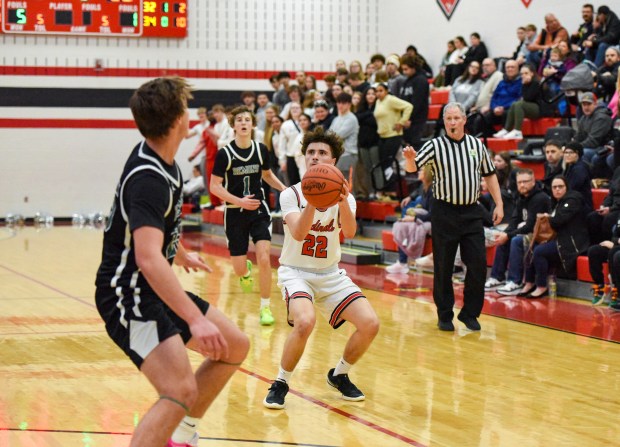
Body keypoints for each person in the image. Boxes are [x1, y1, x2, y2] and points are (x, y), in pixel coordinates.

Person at [94, 77, 249, 447]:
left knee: (234, 345)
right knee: (179, 390)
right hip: (127, 297)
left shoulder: (162, 160)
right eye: (185, 106)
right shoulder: (149, 178)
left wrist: (177, 251)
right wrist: (195, 319)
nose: (190, 112)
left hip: (150, 288)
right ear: (178, 119)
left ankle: (180, 435)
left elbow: (147, 230)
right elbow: (147, 257)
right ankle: (174, 424)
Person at [263, 126, 380, 409]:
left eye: (322, 153)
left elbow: (350, 233)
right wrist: (314, 202)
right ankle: (280, 382)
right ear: (304, 158)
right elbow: (300, 233)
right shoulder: (290, 194)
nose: (315, 157)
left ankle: (339, 375)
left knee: (370, 324)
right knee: (305, 321)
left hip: (330, 273)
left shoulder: (345, 197)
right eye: (311, 152)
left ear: (334, 162)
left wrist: (341, 202)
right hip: (296, 272)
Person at [403, 102, 504, 332]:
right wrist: (410, 158)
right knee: (444, 265)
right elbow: (413, 168)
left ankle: (470, 313)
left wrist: (499, 203)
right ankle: (445, 314)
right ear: (444, 121)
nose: (452, 122)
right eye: (448, 119)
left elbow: (489, 174)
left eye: (456, 118)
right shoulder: (435, 145)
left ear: (464, 120)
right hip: (444, 211)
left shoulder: (476, 145)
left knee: (477, 265)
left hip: (471, 211)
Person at [210, 106, 287, 326]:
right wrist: (239, 201)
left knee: (264, 257)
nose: (243, 123)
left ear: (252, 125)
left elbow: (267, 175)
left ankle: (265, 308)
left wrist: (284, 188)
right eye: (239, 120)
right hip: (235, 213)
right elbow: (214, 186)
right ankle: (245, 273)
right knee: (238, 267)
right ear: (233, 126)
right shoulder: (224, 154)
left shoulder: (261, 149)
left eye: (247, 120)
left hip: (259, 210)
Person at [485, 169, 551, 296]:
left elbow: (531, 226)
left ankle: (515, 281)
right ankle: (497, 278)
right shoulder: (521, 198)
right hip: (527, 232)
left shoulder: (540, 198)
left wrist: (509, 235)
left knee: (515, 240)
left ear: (533, 181)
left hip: (541, 236)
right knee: (503, 237)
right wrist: (506, 233)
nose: (522, 185)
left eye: (525, 182)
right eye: (519, 182)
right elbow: (514, 220)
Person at [521, 176, 589, 298]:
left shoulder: (573, 199)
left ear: (566, 187)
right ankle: (529, 282)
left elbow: (558, 220)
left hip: (572, 242)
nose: (557, 189)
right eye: (554, 187)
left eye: (560, 187)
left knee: (539, 251)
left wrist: (547, 217)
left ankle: (542, 286)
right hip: (559, 238)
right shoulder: (556, 202)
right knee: (531, 244)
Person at [493, 63, 553, 139]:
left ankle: (517, 131)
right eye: (522, 74)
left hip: (541, 109)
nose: (523, 75)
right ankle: (506, 129)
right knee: (514, 104)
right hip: (533, 106)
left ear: (532, 73)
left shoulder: (536, 83)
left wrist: (524, 85)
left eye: (526, 73)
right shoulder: (527, 83)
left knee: (519, 104)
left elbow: (528, 97)